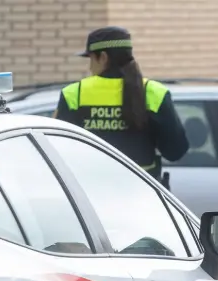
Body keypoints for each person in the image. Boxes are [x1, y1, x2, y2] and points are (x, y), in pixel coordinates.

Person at [54, 26, 189, 182]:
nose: (90, 67)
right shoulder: (155, 93)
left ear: (103, 57)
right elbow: (175, 152)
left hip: (90, 190)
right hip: (142, 190)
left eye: (91, 59)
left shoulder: (74, 94)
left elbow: (58, 149)